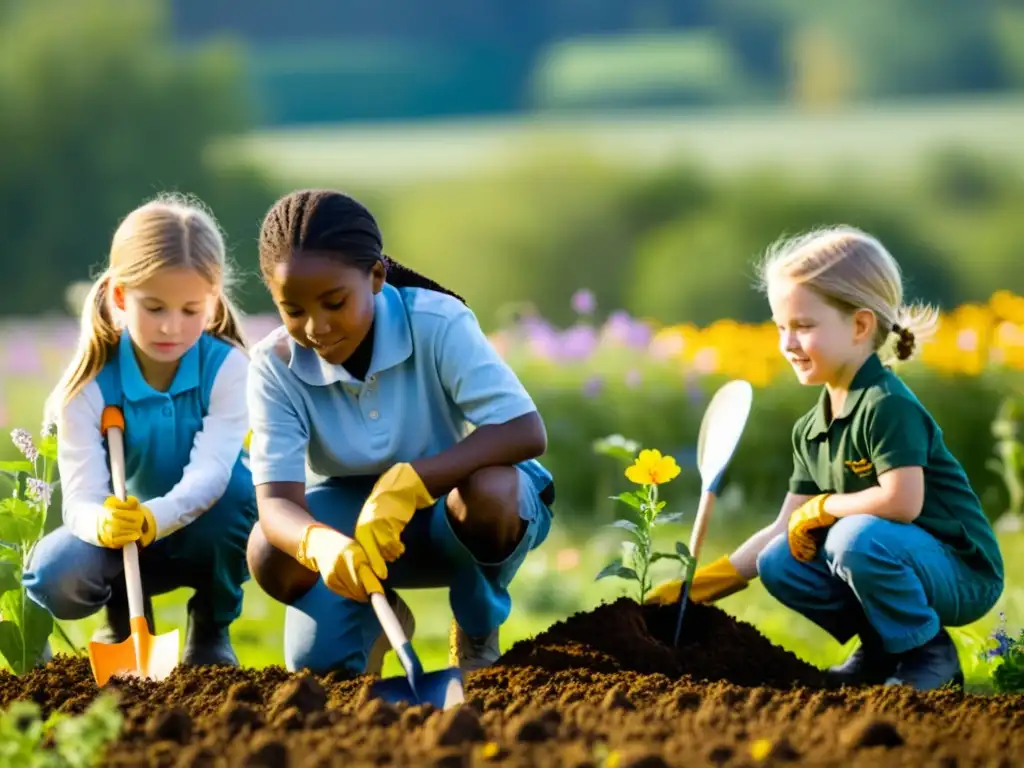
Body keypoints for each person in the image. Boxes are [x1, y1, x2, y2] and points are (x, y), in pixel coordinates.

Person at [647, 225, 1004, 691]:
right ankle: (882, 648)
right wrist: (703, 589)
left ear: (859, 325)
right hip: (897, 559)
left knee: (851, 537)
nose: (788, 344)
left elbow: (902, 503)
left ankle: (929, 655)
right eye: (781, 328)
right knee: (781, 560)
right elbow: (783, 528)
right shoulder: (812, 428)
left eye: (803, 327)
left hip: (961, 571)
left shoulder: (885, 404)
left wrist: (826, 507)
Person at [244, 189, 554, 678]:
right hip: (351, 525)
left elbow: (523, 430)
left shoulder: (437, 321)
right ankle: (374, 612)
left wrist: (411, 482)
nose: (317, 327)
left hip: (450, 515)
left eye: (334, 302)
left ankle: (476, 628)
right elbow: (276, 502)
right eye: (294, 310)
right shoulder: (273, 365)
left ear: (376, 277)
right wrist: (321, 544)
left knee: (495, 490)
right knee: (270, 551)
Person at [23, 194, 257, 666]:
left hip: (200, 528)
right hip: (119, 540)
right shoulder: (88, 387)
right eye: (154, 308)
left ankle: (211, 628)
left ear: (213, 303)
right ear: (119, 297)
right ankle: (124, 623)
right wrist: (101, 522)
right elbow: (81, 494)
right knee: (55, 574)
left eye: (191, 310)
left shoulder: (229, 369)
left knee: (237, 490)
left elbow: (210, 475)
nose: (172, 326)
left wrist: (156, 516)